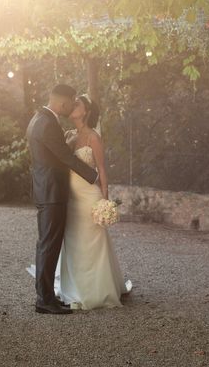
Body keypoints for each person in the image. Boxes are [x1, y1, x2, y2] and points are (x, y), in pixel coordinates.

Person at [26, 84, 98, 315]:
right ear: (63, 102)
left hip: (47, 189)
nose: (72, 106)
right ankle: (45, 299)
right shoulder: (47, 123)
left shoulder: (39, 118)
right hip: (52, 191)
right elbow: (65, 157)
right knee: (49, 244)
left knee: (46, 243)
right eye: (72, 101)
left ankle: (45, 296)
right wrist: (92, 176)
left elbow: (55, 154)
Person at [57, 94, 131, 310]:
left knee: (92, 244)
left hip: (90, 197)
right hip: (71, 198)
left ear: (86, 111)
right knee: (73, 242)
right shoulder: (69, 136)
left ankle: (97, 290)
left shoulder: (94, 138)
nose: (73, 105)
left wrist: (105, 203)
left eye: (77, 103)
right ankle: (75, 288)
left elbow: (102, 170)